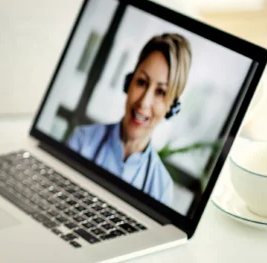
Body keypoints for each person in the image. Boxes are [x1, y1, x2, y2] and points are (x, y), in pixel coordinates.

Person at [67, 33, 192, 206]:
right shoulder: (82, 140)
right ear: (129, 82)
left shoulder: (161, 187)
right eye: (141, 82)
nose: (144, 102)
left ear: (171, 108)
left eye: (161, 92)